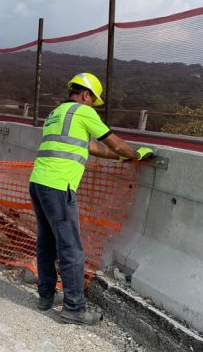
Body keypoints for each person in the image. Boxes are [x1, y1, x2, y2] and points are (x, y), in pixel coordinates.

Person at [29, 72, 153, 325]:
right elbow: (115, 144)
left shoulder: (55, 114)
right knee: (71, 249)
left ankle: (46, 297)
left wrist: (120, 157)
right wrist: (135, 155)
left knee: (46, 244)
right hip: (58, 187)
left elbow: (91, 147)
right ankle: (74, 309)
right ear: (86, 95)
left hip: (38, 183)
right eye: (92, 100)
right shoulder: (83, 112)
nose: (92, 105)